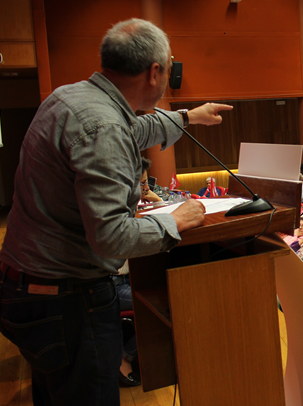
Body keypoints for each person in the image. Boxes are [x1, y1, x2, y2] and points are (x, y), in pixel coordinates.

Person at [0, 18, 233, 404]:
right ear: (155, 71)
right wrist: (173, 222)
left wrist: (189, 116)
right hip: (68, 300)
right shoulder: (102, 126)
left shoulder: (70, 97)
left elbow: (133, 130)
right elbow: (111, 237)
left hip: (28, 288)